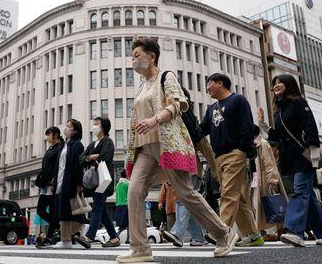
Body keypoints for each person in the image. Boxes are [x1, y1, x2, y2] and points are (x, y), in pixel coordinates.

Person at [118, 37, 237, 263]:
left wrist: (155, 119)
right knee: (134, 192)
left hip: (167, 144)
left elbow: (178, 103)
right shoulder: (142, 86)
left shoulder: (166, 76)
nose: (132, 61)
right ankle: (140, 247)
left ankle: (224, 233)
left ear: (151, 57)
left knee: (185, 193)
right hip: (144, 148)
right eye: (132, 56)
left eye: (137, 56)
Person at [258, 74, 322, 247]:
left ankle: (293, 231)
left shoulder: (298, 102)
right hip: (288, 157)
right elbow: (277, 136)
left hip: (303, 155)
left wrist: (313, 150)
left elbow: (310, 125)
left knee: (299, 191)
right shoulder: (279, 110)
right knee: (308, 196)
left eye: (280, 82)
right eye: (274, 83)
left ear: (289, 84)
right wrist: (263, 124)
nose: (276, 85)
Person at [199, 73, 263, 247]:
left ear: (220, 83)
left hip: (235, 153)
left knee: (227, 193)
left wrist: (243, 149)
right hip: (218, 157)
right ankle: (253, 235)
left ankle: (220, 231)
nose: (207, 87)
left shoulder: (238, 101)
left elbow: (246, 125)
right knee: (236, 196)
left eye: (209, 83)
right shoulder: (211, 108)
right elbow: (202, 129)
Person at [76, 117, 120, 249]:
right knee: (102, 211)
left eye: (97, 123)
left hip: (103, 181)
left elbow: (105, 157)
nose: (94, 125)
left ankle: (88, 237)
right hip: (95, 182)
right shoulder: (92, 144)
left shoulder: (108, 142)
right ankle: (114, 238)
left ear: (103, 127)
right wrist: (91, 157)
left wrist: (91, 157)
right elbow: (81, 159)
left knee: (97, 208)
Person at [251, 125, 287, 241]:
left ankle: (272, 232)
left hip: (264, 178)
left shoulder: (263, 144)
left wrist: (272, 180)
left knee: (269, 204)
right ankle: (273, 230)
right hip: (257, 178)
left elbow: (269, 163)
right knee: (261, 205)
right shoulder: (255, 144)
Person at [53, 119, 85, 249]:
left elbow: (78, 166)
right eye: (65, 125)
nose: (65, 128)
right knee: (66, 211)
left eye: (68, 126)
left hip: (70, 182)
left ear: (75, 130)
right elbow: (60, 165)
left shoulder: (77, 145)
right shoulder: (64, 145)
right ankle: (70, 236)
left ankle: (66, 240)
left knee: (67, 211)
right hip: (61, 181)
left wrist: (79, 183)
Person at [35, 127, 64, 248]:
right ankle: (59, 227)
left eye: (49, 134)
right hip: (45, 184)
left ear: (55, 135)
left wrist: (54, 178)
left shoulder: (59, 148)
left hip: (52, 183)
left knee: (53, 212)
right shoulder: (51, 148)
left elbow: (59, 165)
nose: (47, 137)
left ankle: (49, 237)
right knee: (40, 210)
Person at [162, 175, 207, 247]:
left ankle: (177, 234)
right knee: (189, 205)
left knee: (184, 199)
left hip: (190, 170)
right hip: (184, 170)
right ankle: (199, 237)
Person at [115, 170, 130, 243]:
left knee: (123, 225)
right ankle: (128, 239)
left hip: (118, 206)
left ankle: (117, 235)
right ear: (127, 175)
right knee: (129, 224)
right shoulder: (128, 184)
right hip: (126, 205)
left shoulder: (117, 185)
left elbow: (117, 197)